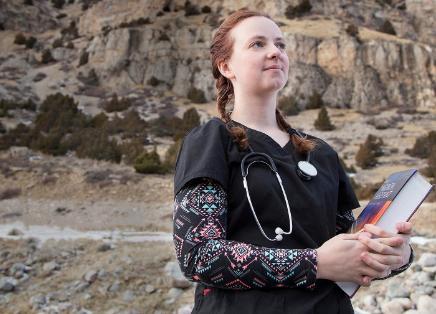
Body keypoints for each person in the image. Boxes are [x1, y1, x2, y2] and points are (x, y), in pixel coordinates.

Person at [172, 9, 414, 314]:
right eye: (258, 44)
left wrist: (395, 256)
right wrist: (317, 263)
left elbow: (349, 249)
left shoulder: (320, 153)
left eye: (280, 45)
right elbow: (198, 255)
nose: (275, 52)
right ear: (226, 65)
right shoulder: (212, 141)